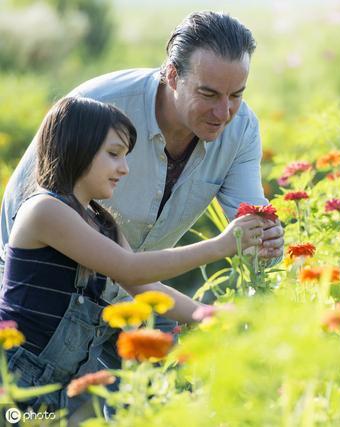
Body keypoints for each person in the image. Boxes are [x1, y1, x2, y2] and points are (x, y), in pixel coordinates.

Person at [0, 11, 284, 414]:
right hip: (22, 358)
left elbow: (133, 277)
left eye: (236, 95)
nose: (224, 112)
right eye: (115, 155)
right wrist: (222, 245)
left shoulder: (102, 221)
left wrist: (216, 314)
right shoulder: (49, 204)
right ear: (172, 75)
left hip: (81, 351)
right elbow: (130, 270)